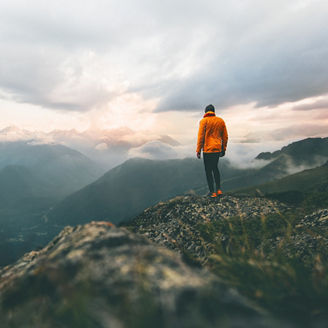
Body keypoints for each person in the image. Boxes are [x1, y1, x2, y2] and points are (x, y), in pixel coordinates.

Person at [196, 104, 228, 198]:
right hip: (217, 149)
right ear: (214, 111)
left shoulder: (203, 121)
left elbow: (201, 136)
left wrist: (198, 150)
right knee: (215, 168)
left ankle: (212, 192)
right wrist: (223, 148)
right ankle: (219, 190)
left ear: (206, 112)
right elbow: (225, 136)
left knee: (208, 170)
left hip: (207, 150)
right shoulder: (220, 121)